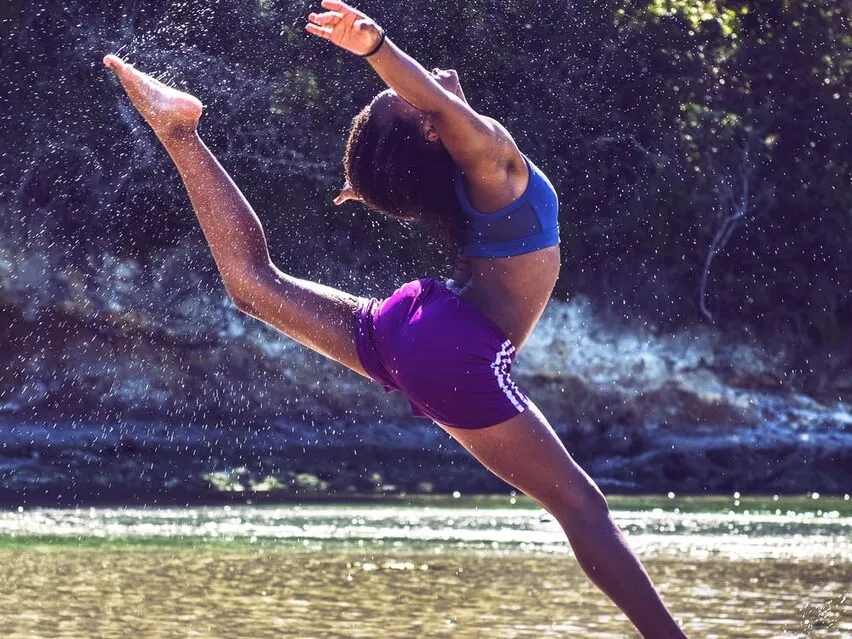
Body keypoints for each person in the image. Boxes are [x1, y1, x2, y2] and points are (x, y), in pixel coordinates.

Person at [103, 1, 687, 636]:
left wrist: (379, 157)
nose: (427, 80)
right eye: (413, 97)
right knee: (582, 508)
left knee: (255, 286)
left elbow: (428, 126)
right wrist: (375, 48)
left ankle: (179, 134)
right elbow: (437, 106)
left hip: (414, 322)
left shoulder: (468, 181)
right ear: (434, 127)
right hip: (451, 346)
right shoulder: (494, 163)